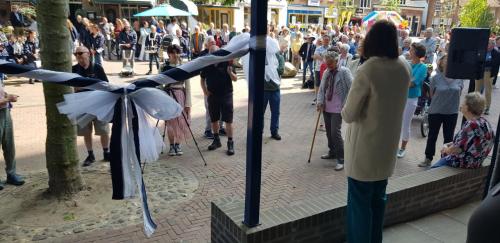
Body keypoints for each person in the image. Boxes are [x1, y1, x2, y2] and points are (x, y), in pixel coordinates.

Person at [341, 20, 411, 243]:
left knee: (359, 206)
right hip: (387, 148)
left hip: (364, 150)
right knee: (378, 200)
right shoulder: (403, 66)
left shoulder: (368, 68)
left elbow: (349, 114)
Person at [419, 55, 463, 167]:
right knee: (432, 135)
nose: (447, 62)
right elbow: (431, 94)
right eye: (445, 60)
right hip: (436, 111)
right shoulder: (435, 77)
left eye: (450, 60)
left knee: (449, 137)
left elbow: (460, 93)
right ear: (440, 62)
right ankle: (428, 158)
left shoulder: (459, 77)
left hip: (452, 112)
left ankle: (446, 160)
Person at [430, 92, 494, 169]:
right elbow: (470, 143)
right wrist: (451, 144)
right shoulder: (485, 123)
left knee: (430, 172)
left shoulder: (471, 125)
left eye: (463, 103)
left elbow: (456, 149)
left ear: (467, 107)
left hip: (461, 164)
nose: (461, 104)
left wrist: (446, 149)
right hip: (477, 163)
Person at [72, 46, 111, 166]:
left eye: (80, 53)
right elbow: (73, 87)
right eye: (76, 54)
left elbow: (105, 85)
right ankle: (90, 155)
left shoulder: (98, 68)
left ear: (88, 54)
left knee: (103, 130)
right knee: (86, 131)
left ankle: (106, 152)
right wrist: (91, 85)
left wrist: (83, 86)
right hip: (82, 104)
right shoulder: (73, 69)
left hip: (98, 103)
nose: (78, 56)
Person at [317, 51, 352, 171]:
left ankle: (341, 159)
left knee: (335, 133)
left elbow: (352, 88)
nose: (328, 65)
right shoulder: (327, 72)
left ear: (337, 61)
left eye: (331, 63)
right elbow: (322, 89)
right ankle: (332, 152)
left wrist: (346, 104)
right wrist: (320, 102)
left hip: (338, 108)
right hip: (327, 106)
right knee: (328, 132)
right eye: (327, 63)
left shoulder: (344, 72)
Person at [201, 45, 238, 155]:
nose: (214, 55)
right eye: (212, 53)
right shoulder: (207, 64)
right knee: (214, 119)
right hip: (212, 95)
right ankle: (216, 140)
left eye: (216, 53)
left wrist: (230, 72)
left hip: (226, 94)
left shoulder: (227, 62)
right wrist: (205, 91)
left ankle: (230, 143)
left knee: (228, 120)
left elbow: (235, 79)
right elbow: (202, 79)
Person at [397, 42, 427, 158]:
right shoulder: (407, 63)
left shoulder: (422, 67)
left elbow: (413, 83)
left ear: (416, 52)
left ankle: (403, 148)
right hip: (400, 97)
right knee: (396, 123)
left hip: (411, 99)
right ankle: (394, 145)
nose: (409, 50)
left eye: (411, 49)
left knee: (405, 123)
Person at [161, 45, 192, 156]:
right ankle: (171, 145)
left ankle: (178, 144)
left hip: (180, 95)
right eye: (173, 53)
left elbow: (188, 86)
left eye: (177, 52)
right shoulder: (164, 67)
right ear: (169, 54)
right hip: (168, 95)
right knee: (170, 121)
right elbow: (160, 84)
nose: (175, 55)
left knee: (180, 121)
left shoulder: (184, 67)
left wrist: (188, 103)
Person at [0, 77, 25, 190]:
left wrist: (6, 96)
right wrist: (7, 99)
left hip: (5, 112)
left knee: (9, 145)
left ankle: (11, 174)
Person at [199, 37, 225, 138]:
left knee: (221, 109)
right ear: (206, 45)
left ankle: (220, 127)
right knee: (210, 110)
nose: (214, 43)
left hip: (220, 89)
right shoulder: (204, 56)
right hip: (208, 86)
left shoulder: (218, 54)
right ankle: (208, 130)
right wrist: (205, 91)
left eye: (214, 42)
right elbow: (202, 77)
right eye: (211, 42)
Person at [263, 40, 285, 141]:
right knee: (260, 112)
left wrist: (269, 70)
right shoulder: (263, 56)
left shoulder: (279, 57)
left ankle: (274, 131)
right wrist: (270, 70)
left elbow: (281, 70)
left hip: (275, 89)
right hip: (263, 89)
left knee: (276, 112)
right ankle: (259, 131)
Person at [475, 38, 499, 115]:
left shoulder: (496, 52)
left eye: (489, 44)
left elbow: (494, 64)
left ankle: (487, 108)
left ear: (492, 45)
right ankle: (476, 106)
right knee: (477, 90)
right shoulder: (482, 50)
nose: (487, 45)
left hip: (489, 73)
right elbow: (477, 60)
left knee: (488, 91)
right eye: (487, 43)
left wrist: (485, 63)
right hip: (480, 72)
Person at [313, 35, 331, 103]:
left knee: (327, 84)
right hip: (318, 69)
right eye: (325, 40)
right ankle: (317, 98)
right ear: (323, 41)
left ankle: (326, 99)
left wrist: (322, 57)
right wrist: (324, 59)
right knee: (318, 83)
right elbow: (315, 56)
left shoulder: (331, 48)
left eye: (327, 40)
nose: (326, 41)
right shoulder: (318, 48)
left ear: (329, 41)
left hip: (328, 69)